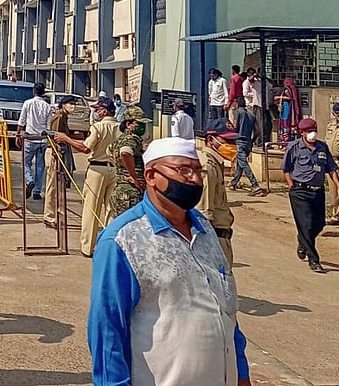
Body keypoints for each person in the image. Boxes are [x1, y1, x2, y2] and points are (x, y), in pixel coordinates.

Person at [89, 137, 251, 386]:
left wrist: (241, 373)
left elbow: (225, 309)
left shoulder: (205, 229)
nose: (195, 179)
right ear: (152, 176)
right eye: (183, 170)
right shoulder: (123, 239)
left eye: (198, 171)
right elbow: (107, 328)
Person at [53, 100, 122, 257]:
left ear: (105, 111)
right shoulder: (120, 128)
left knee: (91, 209)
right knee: (111, 210)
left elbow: (85, 148)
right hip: (115, 170)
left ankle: (87, 247)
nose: (97, 112)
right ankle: (110, 246)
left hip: (97, 169)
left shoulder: (98, 127)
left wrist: (66, 139)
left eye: (99, 110)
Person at [282, 118, 339, 273]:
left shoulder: (322, 147)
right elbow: (286, 168)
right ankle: (314, 260)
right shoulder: (294, 147)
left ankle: (303, 242)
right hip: (299, 191)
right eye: (309, 131)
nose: (312, 134)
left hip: (317, 191)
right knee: (306, 224)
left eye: (314, 130)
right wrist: (291, 185)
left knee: (318, 224)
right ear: (302, 133)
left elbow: (331, 169)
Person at [198, 131, 239, 266]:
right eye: (227, 141)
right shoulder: (208, 166)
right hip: (215, 237)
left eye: (234, 141)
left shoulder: (216, 163)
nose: (232, 146)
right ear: (210, 139)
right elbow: (204, 212)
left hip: (221, 236)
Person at [108, 106, 151, 218]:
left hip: (121, 189)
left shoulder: (121, 139)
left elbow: (110, 153)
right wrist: (134, 177)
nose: (142, 127)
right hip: (130, 192)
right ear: (128, 124)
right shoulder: (130, 139)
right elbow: (125, 153)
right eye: (139, 124)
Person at [43, 96, 76, 226]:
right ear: (63, 105)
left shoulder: (65, 117)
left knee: (59, 185)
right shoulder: (58, 117)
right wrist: (56, 153)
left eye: (74, 104)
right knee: (52, 186)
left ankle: (56, 214)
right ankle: (49, 216)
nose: (73, 106)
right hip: (55, 153)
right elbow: (53, 135)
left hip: (62, 152)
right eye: (70, 103)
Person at [17, 83, 52, 200]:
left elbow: (21, 121)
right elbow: (48, 126)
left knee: (25, 163)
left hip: (30, 138)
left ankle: (29, 180)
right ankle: (37, 191)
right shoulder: (47, 106)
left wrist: (18, 135)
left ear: (34, 91)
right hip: (42, 139)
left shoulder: (28, 103)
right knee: (40, 166)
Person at [230, 97, 266, 196]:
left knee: (244, 164)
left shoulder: (237, 112)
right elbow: (258, 131)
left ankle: (255, 185)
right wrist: (252, 140)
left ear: (237, 104)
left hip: (240, 140)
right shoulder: (251, 115)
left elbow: (235, 126)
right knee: (240, 164)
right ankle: (234, 183)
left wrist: (229, 129)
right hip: (248, 142)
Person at [243, 68, 266, 146]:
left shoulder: (257, 82)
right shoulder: (246, 83)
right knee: (253, 125)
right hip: (250, 106)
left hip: (257, 105)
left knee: (258, 125)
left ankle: (258, 141)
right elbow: (245, 93)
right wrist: (253, 94)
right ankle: (254, 141)